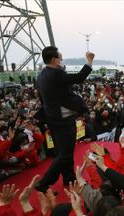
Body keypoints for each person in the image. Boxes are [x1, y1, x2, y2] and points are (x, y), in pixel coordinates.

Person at [35, 46, 95, 192]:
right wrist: (89, 61)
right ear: (55, 60)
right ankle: (44, 183)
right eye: (61, 59)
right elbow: (79, 78)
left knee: (65, 152)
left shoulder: (42, 75)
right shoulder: (56, 74)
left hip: (53, 119)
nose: (62, 61)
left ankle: (69, 179)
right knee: (65, 154)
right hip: (62, 121)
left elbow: (43, 99)